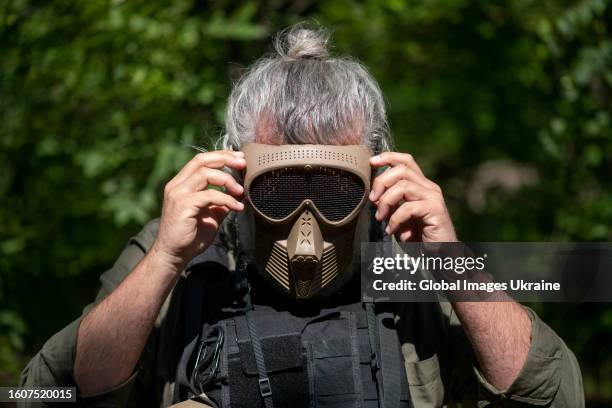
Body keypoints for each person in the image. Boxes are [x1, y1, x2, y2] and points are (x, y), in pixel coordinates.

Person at [20, 24, 584, 407]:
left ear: (376, 178)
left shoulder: (410, 254)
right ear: (236, 172)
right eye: (283, 188)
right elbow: (48, 390)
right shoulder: (193, 246)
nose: (305, 226)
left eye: (334, 189)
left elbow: (556, 392)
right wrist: (166, 257)